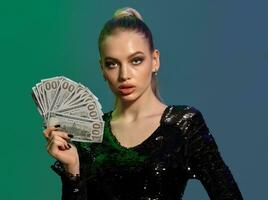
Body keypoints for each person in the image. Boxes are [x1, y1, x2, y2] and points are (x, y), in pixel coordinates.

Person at [43, 7, 243, 200]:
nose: (124, 75)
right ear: (102, 69)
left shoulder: (182, 125)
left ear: (155, 60)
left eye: (136, 60)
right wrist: (72, 168)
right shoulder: (89, 137)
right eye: (112, 64)